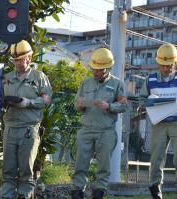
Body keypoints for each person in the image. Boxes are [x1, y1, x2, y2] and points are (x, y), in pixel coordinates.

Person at [71, 48, 128, 199]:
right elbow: (76, 105)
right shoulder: (85, 83)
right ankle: (77, 192)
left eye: (99, 70)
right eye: (94, 69)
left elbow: (124, 105)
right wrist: (80, 104)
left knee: (104, 166)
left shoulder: (117, 84)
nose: (95, 72)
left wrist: (109, 106)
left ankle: (99, 193)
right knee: (80, 164)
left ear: (107, 68)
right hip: (86, 130)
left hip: (106, 131)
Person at [0, 40, 52, 199]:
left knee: (26, 171)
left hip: (28, 130)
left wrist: (28, 102)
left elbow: (46, 101)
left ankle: (24, 196)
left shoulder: (39, 77)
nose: (17, 63)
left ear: (29, 58)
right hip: (10, 127)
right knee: (8, 171)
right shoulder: (6, 78)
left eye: (20, 59)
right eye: (15, 60)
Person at [139, 43, 177, 199]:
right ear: (158, 64)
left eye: (170, 66)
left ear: (174, 64)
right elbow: (141, 99)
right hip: (158, 123)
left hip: (176, 122)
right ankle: (155, 190)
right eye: (163, 66)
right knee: (156, 158)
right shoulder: (150, 79)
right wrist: (149, 102)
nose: (166, 69)